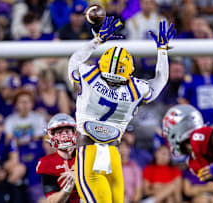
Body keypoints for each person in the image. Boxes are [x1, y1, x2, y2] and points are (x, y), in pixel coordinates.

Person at [68, 16, 176, 203]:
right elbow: (160, 81)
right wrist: (162, 52)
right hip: (113, 156)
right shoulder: (136, 89)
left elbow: (74, 60)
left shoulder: (89, 76)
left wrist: (97, 41)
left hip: (89, 153)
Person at [36, 113, 80, 203]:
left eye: (67, 131)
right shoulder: (47, 163)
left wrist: (79, 176)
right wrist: (68, 188)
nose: (64, 135)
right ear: (51, 136)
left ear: (74, 133)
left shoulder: (85, 154)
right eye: (59, 132)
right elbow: (52, 200)